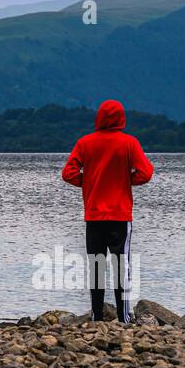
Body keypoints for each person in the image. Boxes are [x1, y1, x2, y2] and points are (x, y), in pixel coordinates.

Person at [61, 99, 154, 323]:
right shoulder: (129, 143)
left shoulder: (85, 143)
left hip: (94, 215)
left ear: (99, 117)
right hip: (120, 216)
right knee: (121, 266)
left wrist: (89, 181)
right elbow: (146, 173)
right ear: (122, 118)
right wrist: (126, 180)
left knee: (96, 264)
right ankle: (123, 317)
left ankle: (96, 315)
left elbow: (68, 173)